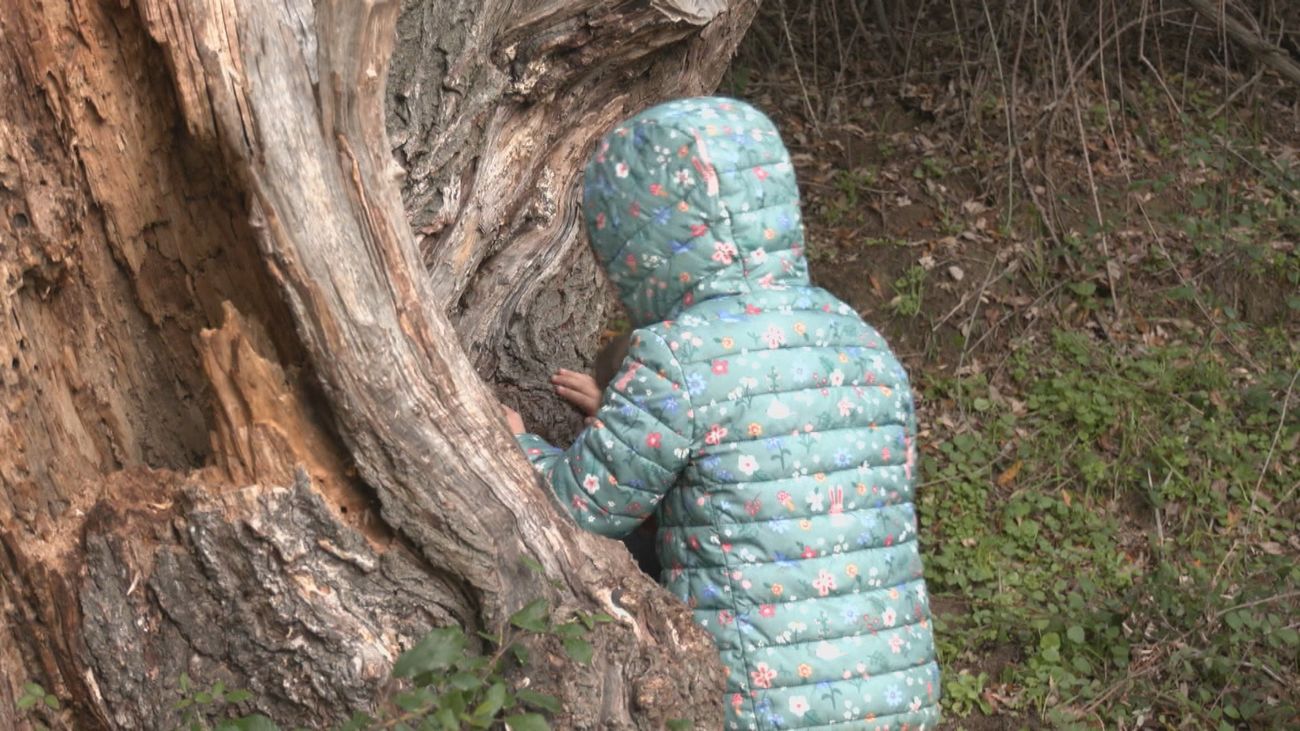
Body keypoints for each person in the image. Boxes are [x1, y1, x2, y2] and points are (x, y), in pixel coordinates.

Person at [504, 97, 940, 730]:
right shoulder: (860, 340)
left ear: (638, 241)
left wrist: (518, 449)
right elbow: (777, 480)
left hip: (763, 702)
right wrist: (631, 423)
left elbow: (583, 508)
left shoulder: (678, 357)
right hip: (899, 692)